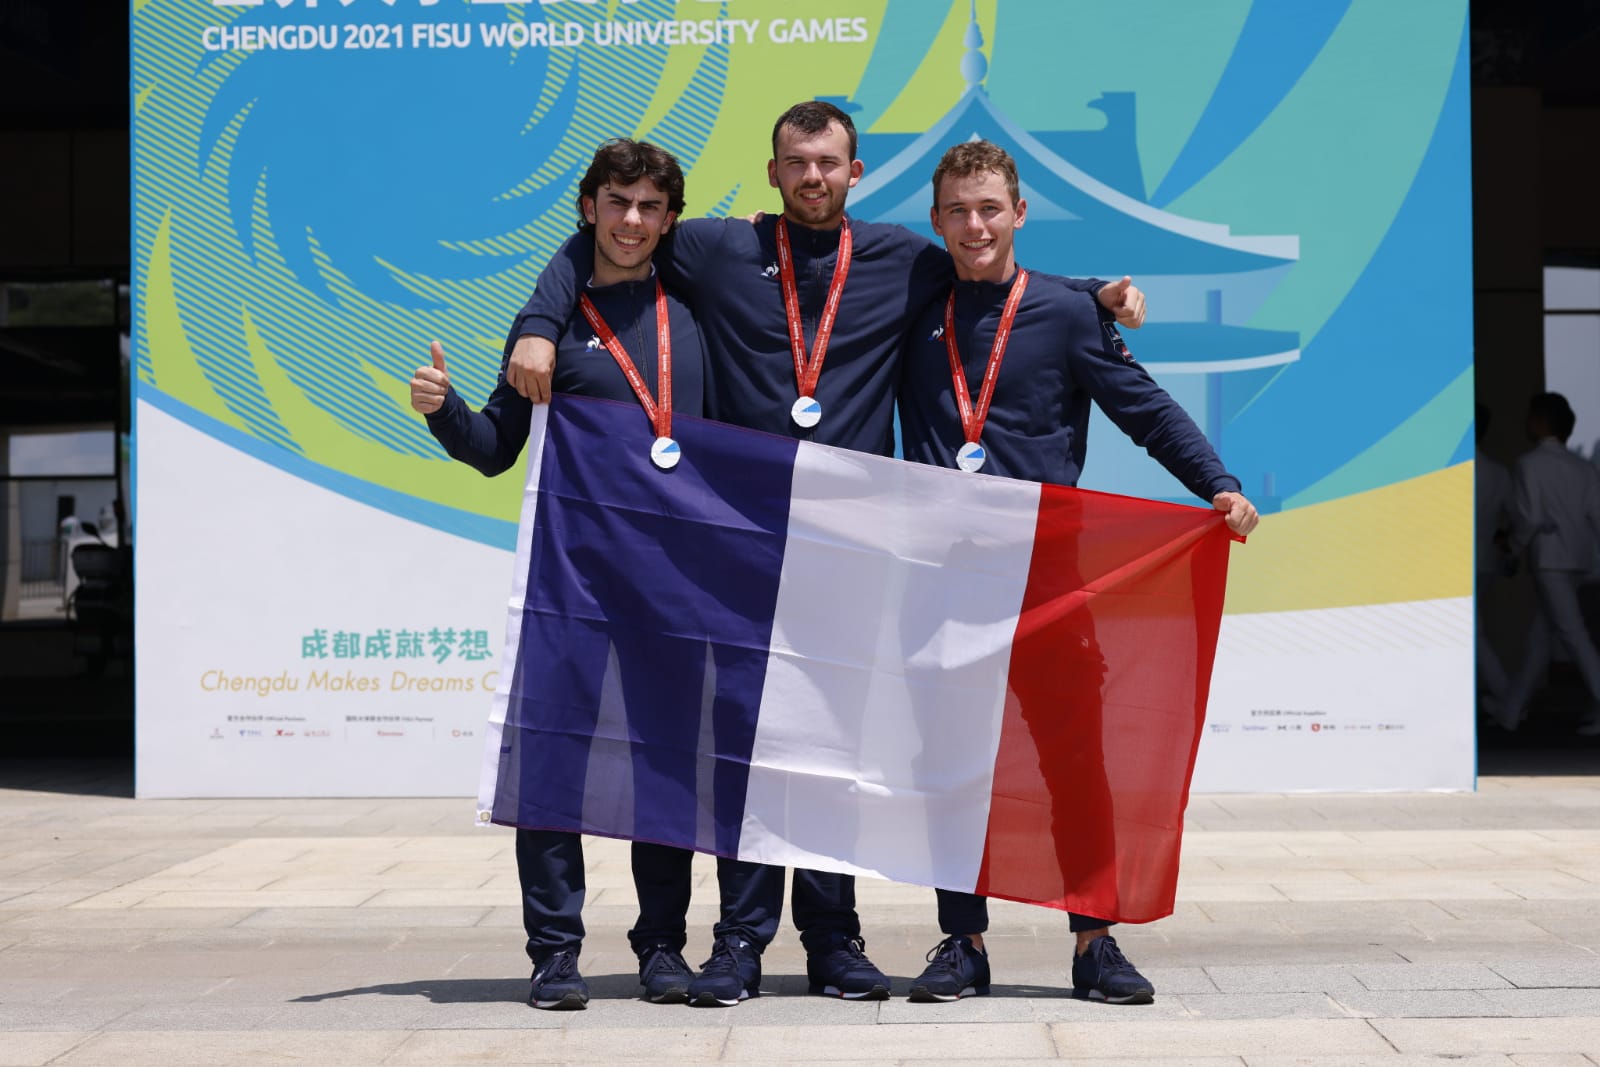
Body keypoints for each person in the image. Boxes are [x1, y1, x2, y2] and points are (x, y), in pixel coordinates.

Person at [503, 101, 1149, 1006]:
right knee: (746, 751)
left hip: (849, 552)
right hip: (739, 549)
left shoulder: (899, 258)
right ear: (774, 173)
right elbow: (609, 241)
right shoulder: (717, 248)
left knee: (829, 752)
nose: (813, 175)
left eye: (830, 161)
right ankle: (739, 943)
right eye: (796, 161)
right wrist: (538, 319)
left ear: (856, 172)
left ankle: (835, 941)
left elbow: (992, 265)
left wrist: (1092, 293)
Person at [895, 140, 1258, 1005]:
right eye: (957, 210)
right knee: (951, 762)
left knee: (1073, 762)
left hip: (1047, 578)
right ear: (935, 220)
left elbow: (1145, 410)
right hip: (941, 576)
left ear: (1019, 214)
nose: (974, 225)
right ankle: (962, 941)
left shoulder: (1062, 312)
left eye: (990, 209)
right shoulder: (910, 300)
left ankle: (1095, 941)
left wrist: (1219, 483)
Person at [410, 139, 708, 1010]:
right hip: (570, 580)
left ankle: (661, 949)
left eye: (651, 207)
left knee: (666, 770)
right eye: (617, 203)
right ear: (589, 209)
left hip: (676, 582)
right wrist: (445, 411)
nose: (632, 221)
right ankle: (555, 953)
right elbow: (496, 449)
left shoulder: (697, 305)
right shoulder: (549, 322)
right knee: (552, 764)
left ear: (669, 219)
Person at [1499, 392, 1600, 736]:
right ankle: (1509, 713)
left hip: (1549, 560)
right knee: (1541, 641)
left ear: (1541, 423)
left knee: (1572, 635)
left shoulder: (1529, 464)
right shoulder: (1584, 468)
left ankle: (1510, 713)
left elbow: (1528, 518)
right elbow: (1596, 517)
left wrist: (1512, 549)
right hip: (1578, 557)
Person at [1475, 404, 1513, 714]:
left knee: (1474, 633)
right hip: (1485, 560)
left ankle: (1507, 696)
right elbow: (1512, 517)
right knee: (1475, 630)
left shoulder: (1449, 469)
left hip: (1457, 562)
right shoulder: (1499, 473)